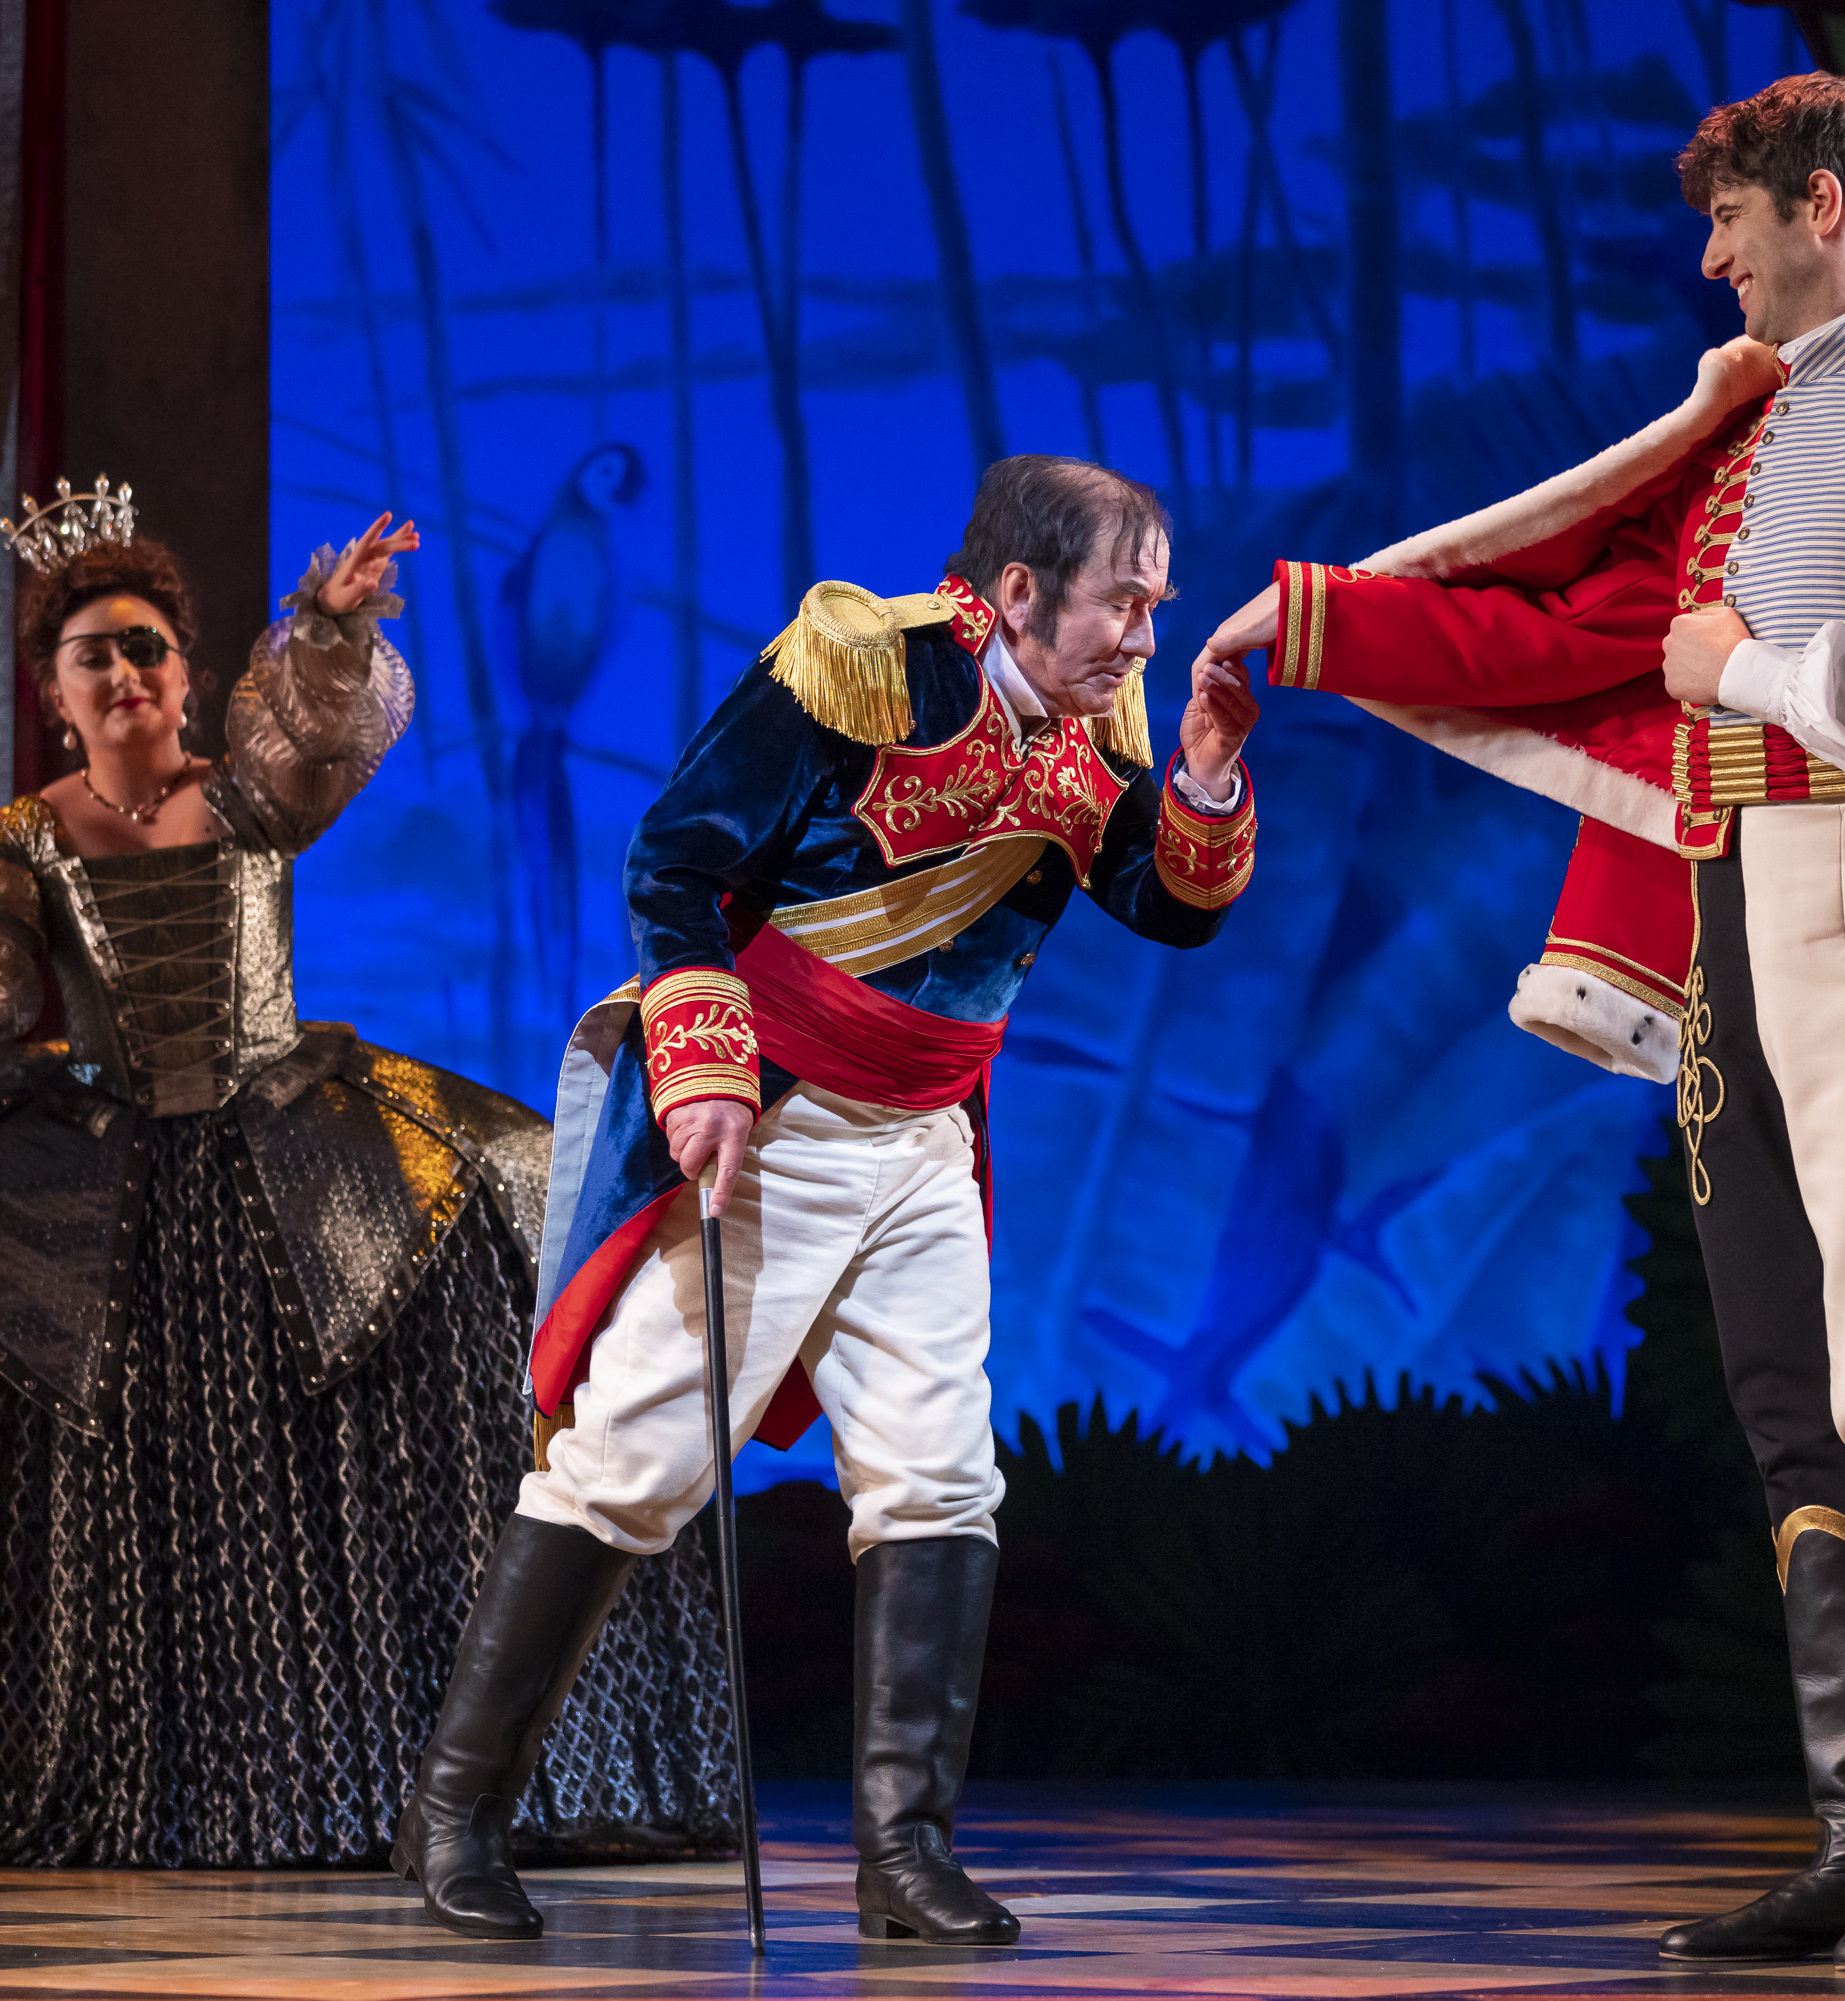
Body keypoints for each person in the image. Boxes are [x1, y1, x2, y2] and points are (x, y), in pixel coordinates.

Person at [1196, 74, 1845, 1972]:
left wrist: (1746, 666)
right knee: (1790, 1400)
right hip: (1737, 918)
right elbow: (1574, 629)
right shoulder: (1749, 432)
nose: (1710, 256)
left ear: (1823, 208)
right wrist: (1313, 624)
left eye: (1732, 220)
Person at [0, 486, 738, 1867]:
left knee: (478, 1222)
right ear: (54, 692)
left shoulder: (244, 798)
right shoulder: (20, 844)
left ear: (190, 671)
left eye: (147, 648)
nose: (126, 674)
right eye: (94, 656)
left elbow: (317, 733)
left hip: (288, 1130)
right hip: (107, 1160)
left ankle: (398, 1764)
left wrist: (322, 623)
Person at [393, 455, 1262, 1946]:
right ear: (1014, 591)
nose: (1144, 633)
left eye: (1157, 605)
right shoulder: (855, 674)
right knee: (632, 1462)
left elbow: (1165, 907)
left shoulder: (1099, 724)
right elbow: (674, 856)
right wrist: (707, 1059)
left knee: (936, 1474)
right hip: (778, 1117)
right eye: (1125, 601)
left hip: (927, 1140)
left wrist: (1200, 769)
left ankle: (904, 1855)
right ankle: (456, 1814)